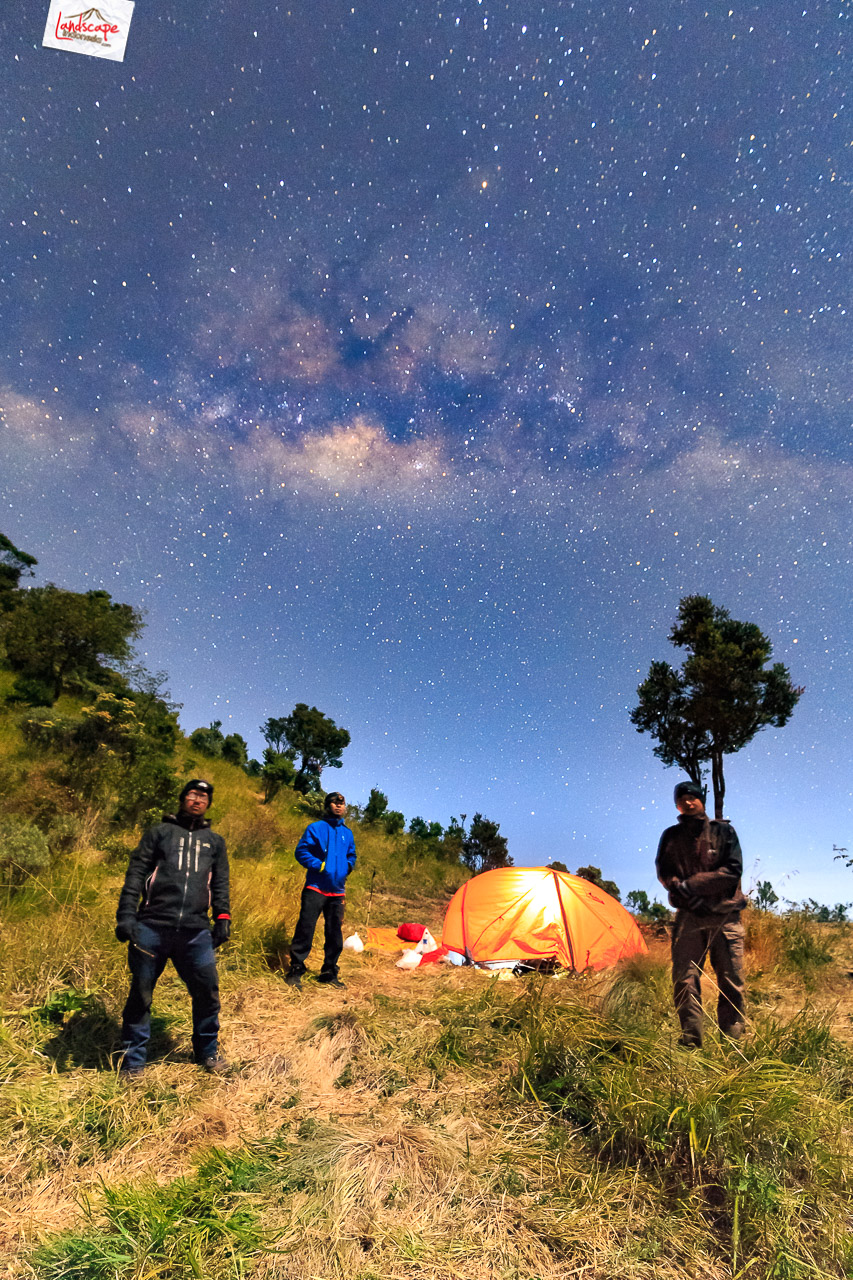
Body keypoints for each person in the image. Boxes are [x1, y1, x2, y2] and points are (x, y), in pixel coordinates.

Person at [115, 779, 231, 1078]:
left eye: (203, 796)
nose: (197, 800)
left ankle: (207, 1051)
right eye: (192, 794)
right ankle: (133, 1061)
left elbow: (219, 883)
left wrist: (223, 917)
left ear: (208, 804)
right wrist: (126, 915)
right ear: (182, 799)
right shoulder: (160, 833)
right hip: (151, 927)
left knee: (208, 992)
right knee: (141, 995)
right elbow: (136, 872)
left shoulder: (214, 842)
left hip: (195, 932)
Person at [656, 780, 748, 1048]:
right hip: (689, 917)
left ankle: (732, 1045)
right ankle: (691, 1044)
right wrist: (685, 895)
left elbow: (732, 870)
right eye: (682, 798)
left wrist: (689, 886)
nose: (687, 801)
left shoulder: (724, 832)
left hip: (725, 917)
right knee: (684, 980)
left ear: (702, 800)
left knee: (731, 982)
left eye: (692, 797)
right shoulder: (671, 836)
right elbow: (665, 872)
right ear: (676, 804)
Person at [285, 791, 356, 991]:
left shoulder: (347, 833)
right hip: (315, 888)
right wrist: (319, 865)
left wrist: (347, 867)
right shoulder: (315, 828)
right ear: (327, 806)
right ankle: (296, 969)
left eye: (342, 803)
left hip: (337, 891)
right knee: (305, 929)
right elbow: (301, 851)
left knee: (334, 933)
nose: (338, 806)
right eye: (334, 802)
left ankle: (329, 972)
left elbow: (352, 854)